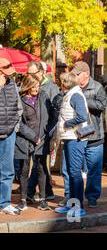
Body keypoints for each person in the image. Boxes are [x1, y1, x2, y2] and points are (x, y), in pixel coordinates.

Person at [71, 61, 106, 208]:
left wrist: (84, 101)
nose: (75, 76)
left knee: (94, 169)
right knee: (74, 169)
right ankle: (73, 197)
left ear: (86, 74)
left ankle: (92, 196)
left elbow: (102, 106)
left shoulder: (97, 87)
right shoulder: (72, 87)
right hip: (76, 135)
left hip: (93, 135)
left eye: (77, 74)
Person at [14, 74, 51, 211]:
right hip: (24, 139)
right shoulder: (20, 99)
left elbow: (51, 115)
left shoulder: (44, 96)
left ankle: (42, 200)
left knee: (41, 169)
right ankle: (23, 200)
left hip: (41, 139)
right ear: (28, 86)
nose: (37, 88)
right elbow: (18, 122)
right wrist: (33, 137)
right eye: (34, 86)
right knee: (24, 170)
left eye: (38, 85)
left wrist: (46, 134)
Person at [54, 72, 88, 217]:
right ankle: (72, 204)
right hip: (70, 138)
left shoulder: (76, 96)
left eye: (62, 81)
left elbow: (82, 116)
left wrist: (67, 124)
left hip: (75, 138)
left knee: (74, 172)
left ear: (65, 83)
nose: (60, 84)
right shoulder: (71, 95)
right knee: (70, 171)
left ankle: (78, 206)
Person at [26, 61, 59, 201]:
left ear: (40, 73)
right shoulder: (28, 85)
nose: (29, 75)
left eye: (32, 73)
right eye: (28, 73)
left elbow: (54, 113)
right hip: (32, 133)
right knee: (38, 164)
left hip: (45, 134)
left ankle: (30, 192)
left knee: (39, 163)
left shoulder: (51, 88)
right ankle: (42, 191)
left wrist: (49, 133)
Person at [0, 58, 22, 215]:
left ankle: (5, 202)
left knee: (8, 170)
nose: (8, 76)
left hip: (9, 132)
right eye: (5, 73)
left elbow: (18, 107)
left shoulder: (12, 84)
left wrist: (15, 126)